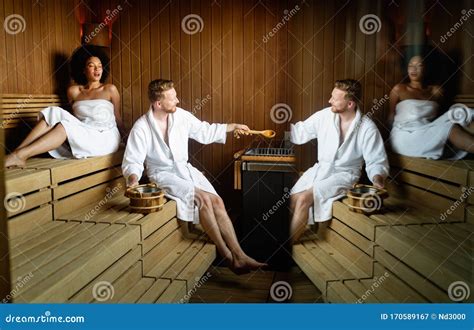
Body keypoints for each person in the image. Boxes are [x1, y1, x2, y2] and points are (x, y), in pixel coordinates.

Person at [122, 79, 267, 274]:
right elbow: (133, 160)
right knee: (203, 198)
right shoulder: (142, 127)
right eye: (172, 98)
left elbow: (205, 131)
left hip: (184, 169)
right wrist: (132, 180)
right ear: (158, 104)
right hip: (162, 174)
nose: (178, 101)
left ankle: (240, 255)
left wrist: (233, 126)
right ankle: (227, 256)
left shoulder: (181, 116)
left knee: (217, 201)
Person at [289, 79, 389, 243]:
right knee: (291, 199)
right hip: (322, 169)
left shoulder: (367, 128)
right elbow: (300, 131)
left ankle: (283, 249)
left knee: (303, 199)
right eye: (331, 96)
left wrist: (378, 180)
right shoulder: (325, 116)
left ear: (350, 104)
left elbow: (376, 160)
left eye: (335, 98)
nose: (330, 101)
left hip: (345, 175)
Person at [5, 45, 126, 168]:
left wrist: (126, 141)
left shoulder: (110, 89)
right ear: (83, 69)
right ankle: (17, 153)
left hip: (105, 137)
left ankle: (21, 155)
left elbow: (118, 118)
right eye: (91, 65)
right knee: (54, 111)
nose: (97, 69)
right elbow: (74, 118)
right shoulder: (74, 91)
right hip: (85, 131)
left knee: (64, 126)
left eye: (100, 66)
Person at [389, 55, 474, 159]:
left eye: (418, 65)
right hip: (404, 136)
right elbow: (391, 117)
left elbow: (437, 118)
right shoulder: (399, 89)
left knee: (457, 114)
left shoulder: (435, 92)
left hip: (426, 130)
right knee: (450, 126)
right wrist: (386, 142)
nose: (413, 69)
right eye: (410, 66)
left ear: (426, 68)